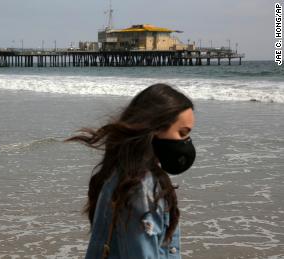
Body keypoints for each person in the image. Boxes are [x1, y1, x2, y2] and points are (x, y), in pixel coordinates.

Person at [67, 84, 196, 258]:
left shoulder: (118, 170)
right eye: (182, 133)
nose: (186, 142)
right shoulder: (141, 185)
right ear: (155, 128)